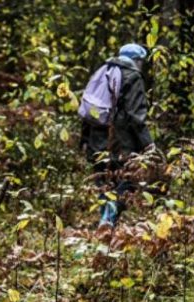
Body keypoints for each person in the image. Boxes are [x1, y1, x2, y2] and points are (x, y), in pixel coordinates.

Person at [80, 43, 155, 228]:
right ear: (137, 61)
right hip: (121, 143)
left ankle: (104, 222)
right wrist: (148, 145)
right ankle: (108, 224)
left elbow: (88, 106)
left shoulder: (103, 71)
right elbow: (135, 117)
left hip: (96, 139)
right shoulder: (133, 77)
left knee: (104, 183)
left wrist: (84, 139)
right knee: (126, 182)